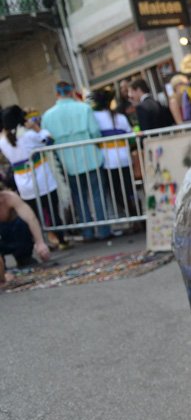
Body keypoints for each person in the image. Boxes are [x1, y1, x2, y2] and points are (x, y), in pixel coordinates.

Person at [41, 81, 112, 242]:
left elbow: (48, 140)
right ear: (72, 92)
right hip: (91, 158)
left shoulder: (47, 116)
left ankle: (87, 232)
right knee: (97, 195)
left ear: (57, 93)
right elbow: (95, 132)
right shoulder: (84, 108)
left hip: (68, 163)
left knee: (79, 198)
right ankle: (104, 230)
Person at [0, 105, 68, 248]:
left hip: (24, 183)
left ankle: (41, 241)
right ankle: (61, 240)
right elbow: (49, 141)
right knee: (52, 211)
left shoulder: (3, 141)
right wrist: (37, 127)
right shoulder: (28, 135)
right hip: (42, 180)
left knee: (33, 215)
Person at [91, 89, 138, 219]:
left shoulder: (95, 117)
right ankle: (136, 214)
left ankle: (131, 216)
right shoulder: (120, 117)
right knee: (129, 189)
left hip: (108, 162)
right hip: (124, 159)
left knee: (116, 192)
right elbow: (131, 136)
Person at [0, 189, 52, 283]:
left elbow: (31, 218)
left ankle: (23, 256)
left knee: (21, 223)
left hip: (13, 234)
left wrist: (40, 243)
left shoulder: (10, 197)